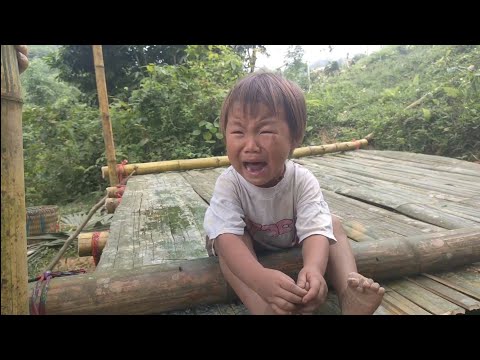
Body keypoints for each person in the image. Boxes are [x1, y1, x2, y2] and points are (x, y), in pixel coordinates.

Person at [203, 71, 385, 315]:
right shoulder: (230, 184)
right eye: (238, 132)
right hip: (249, 250)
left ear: (294, 138)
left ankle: (349, 292)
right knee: (228, 250)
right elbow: (226, 238)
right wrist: (260, 279)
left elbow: (315, 230)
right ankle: (265, 309)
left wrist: (313, 269)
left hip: (290, 238)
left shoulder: (302, 180)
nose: (250, 145)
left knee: (331, 224)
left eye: (265, 131)